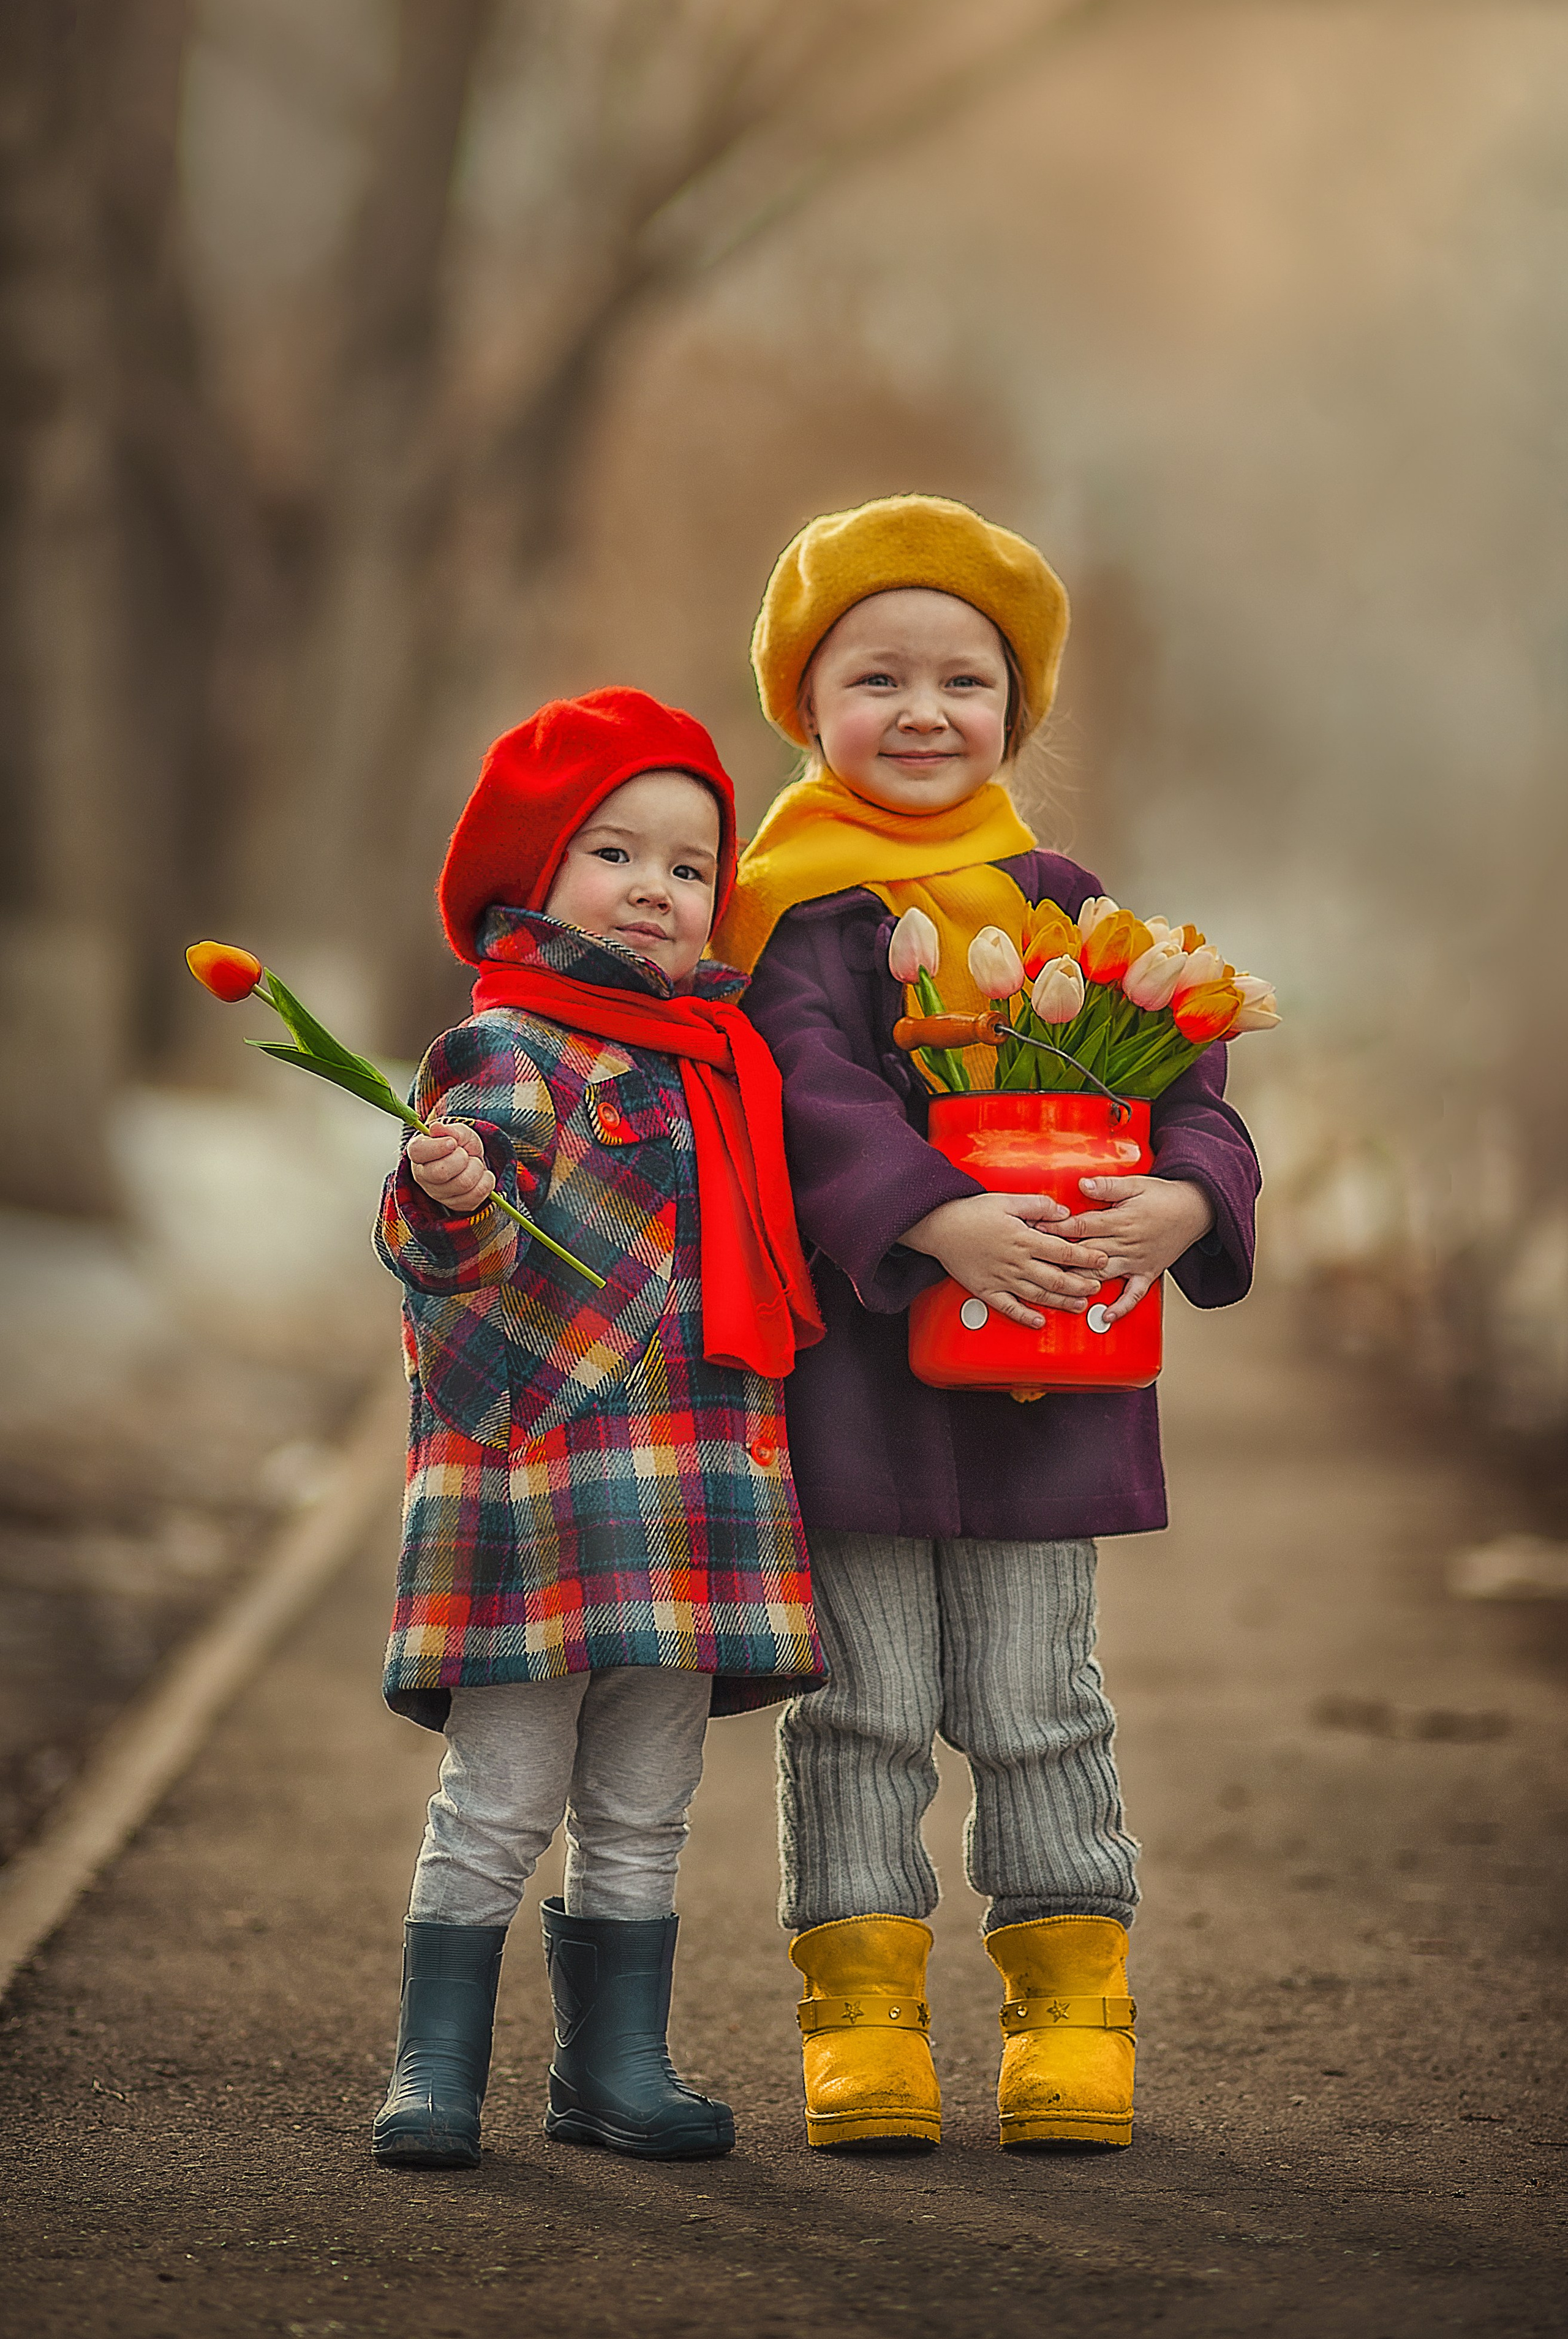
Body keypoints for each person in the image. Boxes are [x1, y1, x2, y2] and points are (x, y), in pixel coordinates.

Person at [717, 494, 1261, 2152]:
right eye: (877, 678)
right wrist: (933, 1209)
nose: (925, 713)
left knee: (1041, 1702)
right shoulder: (787, 925)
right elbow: (802, 1103)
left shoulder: (1063, 898)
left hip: (1048, 1377)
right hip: (863, 1393)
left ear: (1014, 714)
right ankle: (864, 2010)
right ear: (808, 709)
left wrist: (1186, 1197)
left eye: (965, 681)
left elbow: (1188, 1075)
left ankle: (1071, 2001)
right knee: (863, 1705)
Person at [371, 687, 823, 2169]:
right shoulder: (508, 1050)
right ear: (534, 875)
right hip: (544, 1482)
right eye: (614, 853)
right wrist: (447, 1194)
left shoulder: (719, 1061)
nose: (655, 889)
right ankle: (434, 2073)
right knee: (501, 1796)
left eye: (689, 868)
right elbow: (456, 1236)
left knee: (643, 1802)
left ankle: (614, 2067)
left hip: (695, 1481)